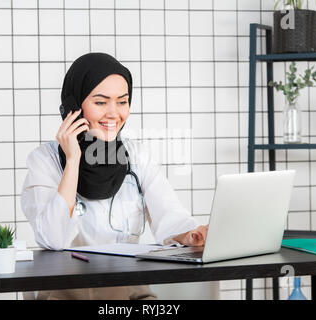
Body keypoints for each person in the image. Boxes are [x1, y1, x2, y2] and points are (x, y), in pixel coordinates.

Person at [21, 52, 208, 300]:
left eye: (122, 101)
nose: (114, 113)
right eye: (100, 102)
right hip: (66, 292)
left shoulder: (136, 156)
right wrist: (73, 160)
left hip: (128, 290)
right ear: (74, 106)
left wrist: (190, 234)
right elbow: (53, 238)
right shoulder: (45, 160)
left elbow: (170, 215)